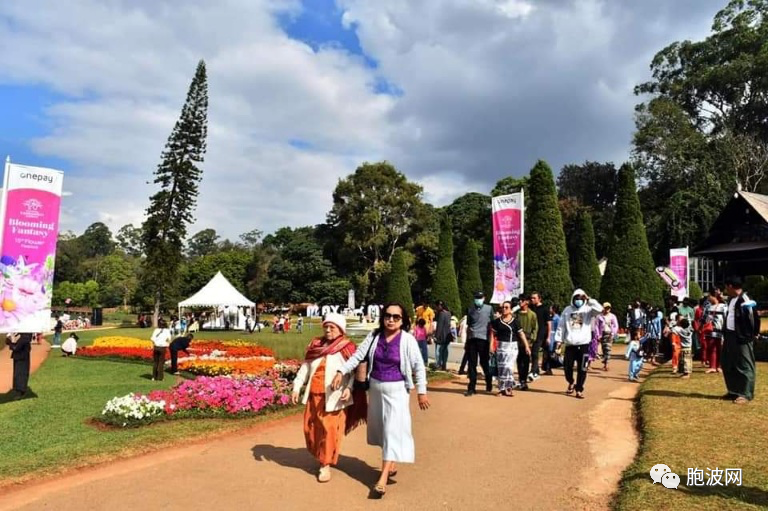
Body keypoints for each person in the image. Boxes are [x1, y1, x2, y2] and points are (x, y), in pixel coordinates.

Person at [332, 302, 429, 498]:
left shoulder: (407, 340)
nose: (391, 320)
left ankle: (382, 479)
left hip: (397, 391)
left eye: (396, 317)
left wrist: (422, 391)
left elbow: (418, 366)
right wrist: (341, 371)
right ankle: (390, 461)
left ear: (403, 320)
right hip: (375, 390)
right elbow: (358, 356)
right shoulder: (374, 336)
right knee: (383, 429)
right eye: (388, 316)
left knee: (392, 430)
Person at [292, 313, 366, 483]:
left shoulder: (347, 347)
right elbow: (305, 367)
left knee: (330, 430)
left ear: (340, 329)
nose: (328, 329)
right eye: (326, 326)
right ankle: (321, 454)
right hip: (314, 395)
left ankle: (325, 464)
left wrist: (349, 388)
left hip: (335, 397)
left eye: (332, 327)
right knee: (310, 429)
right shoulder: (316, 345)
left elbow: (353, 372)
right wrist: (297, 387)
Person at [554, 289, 603, 399]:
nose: (578, 301)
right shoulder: (567, 310)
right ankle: (571, 382)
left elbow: (600, 309)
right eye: (576, 298)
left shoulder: (588, 310)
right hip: (570, 345)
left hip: (584, 345)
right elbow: (561, 326)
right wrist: (558, 341)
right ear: (573, 299)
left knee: (582, 369)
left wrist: (589, 299)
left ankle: (579, 389)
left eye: (581, 299)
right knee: (567, 368)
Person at [721, 276, 760, 404]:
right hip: (730, 335)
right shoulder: (732, 300)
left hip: (742, 337)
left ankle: (746, 393)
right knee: (729, 363)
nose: (725, 290)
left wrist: (754, 334)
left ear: (730, 286)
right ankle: (734, 390)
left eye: (726, 287)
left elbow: (754, 318)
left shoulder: (745, 299)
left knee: (745, 365)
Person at [490, 300, 528, 396]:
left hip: (512, 347)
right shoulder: (497, 322)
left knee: (508, 367)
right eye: (503, 307)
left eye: (506, 307)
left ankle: (509, 387)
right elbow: (493, 334)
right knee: (502, 368)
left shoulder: (515, 321)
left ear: (510, 309)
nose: (504, 309)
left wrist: (526, 346)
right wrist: (491, 345)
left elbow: (521, 334)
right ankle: (502, 388)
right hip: (501, 346)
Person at [464, 291, 494, 396]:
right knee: (472, 364)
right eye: (476, 297)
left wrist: (491, 342)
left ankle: (489, 380)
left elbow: (492, 326)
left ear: (484, 298)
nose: (478, 299)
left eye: (480, 297)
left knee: (484, 363)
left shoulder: (489, 309)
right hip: (472, 339)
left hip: (484, 339)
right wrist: (466, 341)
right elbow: (468, 326)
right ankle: (471, 387)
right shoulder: (470, 309)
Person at [515, 294, 538, 387]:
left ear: (527, 302)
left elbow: (535, 328)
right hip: (517, 340)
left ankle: (524, 379)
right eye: (519, 300)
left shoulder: (532, 314)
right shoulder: (516, 314)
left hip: (528, 340)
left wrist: (532, 340)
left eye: (522, 300)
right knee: (519, 360)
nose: (520, 302)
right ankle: (521, 378)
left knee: (526, 360)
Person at [702, 292, 726, 374]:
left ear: (714, 296)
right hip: (710, 330)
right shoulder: (708, 306)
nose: (708, 298)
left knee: (720, 348)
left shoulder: (723, 306)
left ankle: (719, 366)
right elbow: (703, 318)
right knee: (712, 349)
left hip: (720, 330)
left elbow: (726, 318)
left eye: (709, 296)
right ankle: (713, 366)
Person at [530, 292, 551, 377]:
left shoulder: (544, 309)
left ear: (539, 299)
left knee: (536, 352)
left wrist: (548, 336)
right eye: (531, 298)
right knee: (534, 352)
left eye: (534, 298)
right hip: (534, 333)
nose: (532, 299)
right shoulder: (531, 308)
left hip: (542, 333)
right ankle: (536, 369)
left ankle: (534, 370)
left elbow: (549, 323)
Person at [6, 333, 33, 398]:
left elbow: (17, 347)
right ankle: (18, 389)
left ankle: (20, 390)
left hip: (22, 356)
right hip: (19, 356)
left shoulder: (25, 335)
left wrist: (10, 343)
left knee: (20, 373)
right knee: (18, 373)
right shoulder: (23, 334)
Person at [594, 303, 619, 371]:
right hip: (602, 334)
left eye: (608, 308)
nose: (607, 309)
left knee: (608, 349)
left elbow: (616, 325)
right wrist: (598, 335)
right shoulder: (599, 316)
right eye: (606, 308)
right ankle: (605, 362)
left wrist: (613, 333)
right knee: (604, 349)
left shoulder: (612, 316)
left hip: (609, 334)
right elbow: (596, 326)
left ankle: (606, 364)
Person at [433, 301, 452, 371]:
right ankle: (444, 365)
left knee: (439, 352)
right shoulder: (449, 313)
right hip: (447, 336)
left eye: (437, 306)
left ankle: (439, 365)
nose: (436, 308)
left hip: (441, 336)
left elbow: (439, 326)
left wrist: (436, 336)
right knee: (445, 352)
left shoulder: (441, 314)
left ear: (440, 306)